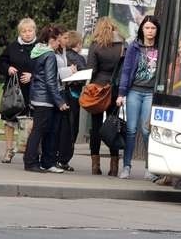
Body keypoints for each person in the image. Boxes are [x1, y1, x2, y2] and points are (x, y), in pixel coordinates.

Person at [116, 15, 160, 180]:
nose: (150, 31)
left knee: (147, 130)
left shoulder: (161, 47)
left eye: (153, 28)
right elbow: (126, 71)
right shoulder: (134, 47)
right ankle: (126, 166)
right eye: (147, 28)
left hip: (150, 93)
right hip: (134, 91)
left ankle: (150, 168)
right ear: (142, 29)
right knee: (131, 130)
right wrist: (121, 94)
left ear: (157, 30)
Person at [23, 25, 69, 173]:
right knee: (38, 131)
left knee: (39, 130)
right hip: (45, 99)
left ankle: (35, 161)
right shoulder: (49, 55)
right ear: (51, 40)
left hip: (37, 96)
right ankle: (30, 162)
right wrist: (59, 101)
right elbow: (50, 81)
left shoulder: (37, 51)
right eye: (57, 41)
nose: (58, 44)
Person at [86, 17, 125, 176]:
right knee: (113, 125)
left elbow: (91, 70)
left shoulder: (96, 45)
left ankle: (95, 165)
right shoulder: (122, 46)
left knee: (95, 127)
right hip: (114, 89)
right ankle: (114, 165)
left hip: (97, 89)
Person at [0, 18, 37, 163]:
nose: (27, 34)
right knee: (9, 122)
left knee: (30, 123)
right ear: (20, 32)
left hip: (32, 91)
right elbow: (1, 62)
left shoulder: (40, 47)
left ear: (34, 31)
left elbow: (46, 67)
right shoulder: (12, 47)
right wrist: (8, 68)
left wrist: (33, 76)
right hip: (13, 91)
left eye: (30, 30)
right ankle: (8, 150)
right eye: (24, 31)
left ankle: (28, 150)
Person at [53, 27, 77, 171]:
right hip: (57, 91)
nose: (67, 41)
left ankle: (62, 158)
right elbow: (55, 73)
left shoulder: (62, 52)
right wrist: (70, 71)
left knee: (66, 127)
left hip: (63, 89)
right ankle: (54, 157)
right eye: (65, 38)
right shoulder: (53, 53)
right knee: (57, 127)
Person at [65, 31, 87, 149]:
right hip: (74, 93)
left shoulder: (63, 55)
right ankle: (68, 149)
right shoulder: (79, 59)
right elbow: (84, 76)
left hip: (63, 93)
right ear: (78, 44)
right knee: (73, 124)